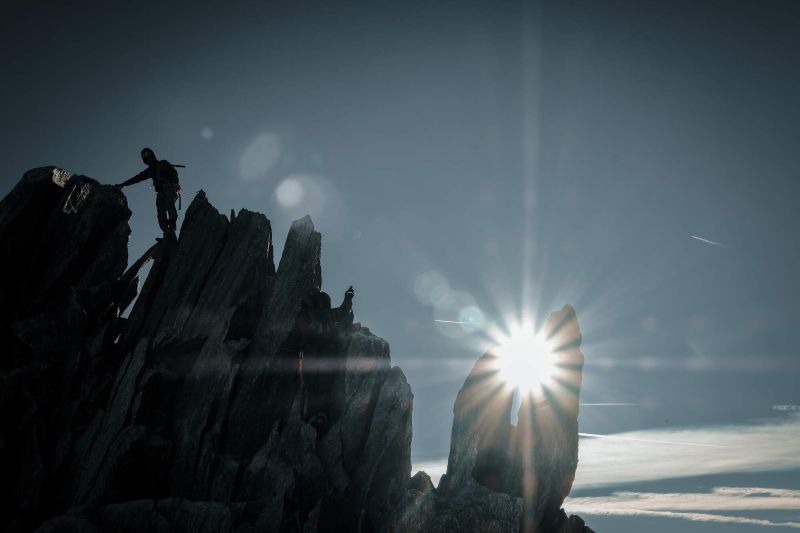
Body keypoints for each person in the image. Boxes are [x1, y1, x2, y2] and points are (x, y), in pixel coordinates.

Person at [116, 148, 181, 239]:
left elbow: (174, 172)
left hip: (170, 189)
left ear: (153, 156)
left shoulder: (163, 163)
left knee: (169, 203)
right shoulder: (150, 171)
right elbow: (138, 178)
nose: (148, 159)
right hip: (161, 192)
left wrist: (174, 183)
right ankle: (166, 232)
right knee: (160, 212)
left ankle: (172, 226)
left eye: (149, 157)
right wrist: (124, 184)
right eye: (146, 159)